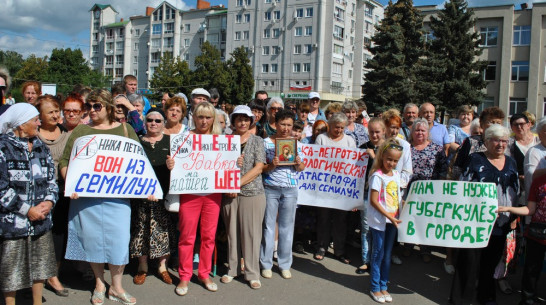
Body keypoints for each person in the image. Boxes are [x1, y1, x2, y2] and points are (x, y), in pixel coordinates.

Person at [60, 89, 139, 305]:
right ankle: (99, 283)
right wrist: (71, 183)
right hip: (87, 197)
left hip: (118, 197)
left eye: (97, 106)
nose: (92, 110)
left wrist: (147, 188)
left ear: (109, 108)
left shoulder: (125, 129)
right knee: (92, 240)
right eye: (89, 106)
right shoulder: (81, 131)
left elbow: (138, 161)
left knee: (119, 241)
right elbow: (65, 162)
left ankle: (117, 286)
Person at [450, 124, 518, 305]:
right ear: (486, 142)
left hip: (501, 223)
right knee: (469, 262)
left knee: (490, 263)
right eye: (496, 140)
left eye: (504, 141)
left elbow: (515, 191)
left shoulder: (511, 162)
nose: (500, 144)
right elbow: (464, 188)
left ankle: (486, 296)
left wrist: (513, 217)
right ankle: (461, 300)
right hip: (476, 222)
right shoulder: (475, 159)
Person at [0, 103, 58, 305]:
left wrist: (49, 201)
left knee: (40, 265)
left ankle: (36, 302)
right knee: (11, 269)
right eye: (35, 120)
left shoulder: (41, 146)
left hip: (41, 219)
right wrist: (27, 210)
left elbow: (52, 179)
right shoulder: (3, 148)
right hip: (14, 222)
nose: (39, 123)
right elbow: (2, 189)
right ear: (21, 125)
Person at [169, 102, 222, 296]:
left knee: (209, 237)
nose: (204, 121)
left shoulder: (219, 139)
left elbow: (226, 164)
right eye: (201, 116)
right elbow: (176, 163)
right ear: (194, 117)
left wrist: (236, 161)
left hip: (212, 195)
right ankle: (184, 276)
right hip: (190, 194)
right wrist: (171, 163)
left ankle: (204, 273)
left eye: (208, 117)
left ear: (213, 119)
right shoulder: (184, 138)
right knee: (187, 237)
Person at [220, 105, 266, 289]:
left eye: (246, 119)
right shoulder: (225, 140)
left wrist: (236, 183)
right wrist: (228, 186)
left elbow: (259, 167)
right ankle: (232, 269)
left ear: (251, 121)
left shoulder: (257, 141)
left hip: (252, 193)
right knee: (232, 233)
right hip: (229, 194)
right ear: (233, 122)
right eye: (239, 119)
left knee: (251, 234)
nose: (243, 122)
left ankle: (252, 272)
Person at [130, 110, 176, 286]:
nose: (154, 123)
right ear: (145, 122)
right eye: (150, 120)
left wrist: (173, 165)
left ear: (164, 123)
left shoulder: (171, 142)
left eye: (158, 120)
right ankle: (142, 266)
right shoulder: (136, 143)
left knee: (164, 232)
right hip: (141, 196)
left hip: (164, 195)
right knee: (140, 230)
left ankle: (162, 266)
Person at [261, 109, 305, 279]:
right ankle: (266, 263)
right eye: (282, 124)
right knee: (268, 226)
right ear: (275, 124)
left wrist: (298, 163)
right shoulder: (266, 143)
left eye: (289, 125)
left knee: (287, 227)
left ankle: (285, 263)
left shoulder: (296, 144)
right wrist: (271, 165)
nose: (286, 128)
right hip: (270, 187)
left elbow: (302, 168)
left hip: (290, 189)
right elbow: (261, 168)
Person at [35, 95, 71, 297]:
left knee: (58, 232)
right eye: (51, 112)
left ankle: (53, 274)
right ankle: (36, 277)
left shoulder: (66, 134)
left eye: (57, 111)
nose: (56, 115)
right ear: (39, 115)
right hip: (39, 192)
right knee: (40, 234)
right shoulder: (33, 135)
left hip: (62, 188)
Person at [498, 159, 546, 304]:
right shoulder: (539, 182)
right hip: (537, 233)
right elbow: (530, 209)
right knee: (532, 269)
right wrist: (508, 208)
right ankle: (528, 299)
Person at [314, 113, 356, 264]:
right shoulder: (322, 139)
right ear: (329, 125)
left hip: (342, 188)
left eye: (341, 128)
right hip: (324, 187)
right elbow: (316, 161)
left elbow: (353, 166)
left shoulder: (350, 141)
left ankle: (339, 250)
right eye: (336, 127)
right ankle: (321, 247)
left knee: (341, 220)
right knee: (323, 218)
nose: (339, 130)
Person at [405, 118, 448, 263]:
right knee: (409, 217)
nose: (419, 133)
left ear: (428, 132)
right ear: (412, 132)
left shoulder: (437, 148)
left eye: (423, 130)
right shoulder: (406, 147)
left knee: (426, 219)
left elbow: (443, 169)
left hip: (429, 189)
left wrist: (439, 188)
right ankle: (408, 246)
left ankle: (425, 249)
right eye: (417, 130)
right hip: (409, 189)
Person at [367, 138, 403, 304]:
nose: (392, 163)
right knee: (378, 254)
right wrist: (389, 216)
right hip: (381, 221)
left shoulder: (396, 175)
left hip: (393, 221)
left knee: (387, 255)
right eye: (389, 159)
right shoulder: (377, 176)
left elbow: (397, 197)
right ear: (382, 157)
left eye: (395, 160)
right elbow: (374, 200)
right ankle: (375, 287)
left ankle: (383, 285)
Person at [356, 117, 386, 274]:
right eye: (371, 132)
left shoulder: (388, 148)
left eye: (377, 132)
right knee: (366, 227)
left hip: (383, 194)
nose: (374, 135)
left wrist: (374, 157)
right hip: (366, 193)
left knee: (380, 227)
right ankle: (366, 260)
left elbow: (387, 170)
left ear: (383, 132)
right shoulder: (363, 147)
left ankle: (379, 259)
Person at [451, 107, 505, 180]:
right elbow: (458, 167)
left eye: (498, 123)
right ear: (481, 124)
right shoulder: (471, 142)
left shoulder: (508, 144)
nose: (495, 125)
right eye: (491, 122)